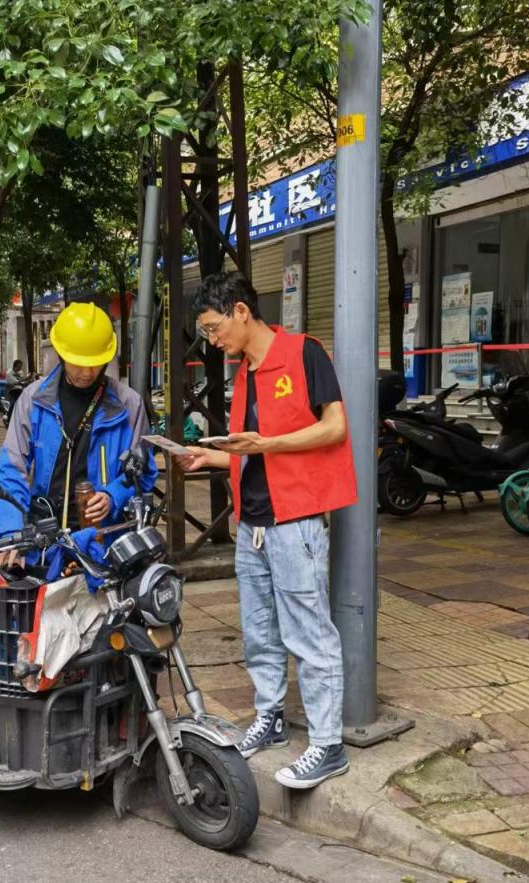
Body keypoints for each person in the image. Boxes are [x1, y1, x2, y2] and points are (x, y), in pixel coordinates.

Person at [179, 271, 357, 790]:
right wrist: (212, 457)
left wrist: (267, 444)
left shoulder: (304, 353)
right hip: (252, 523)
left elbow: (335, 427)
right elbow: (251, 453)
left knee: (309, 634)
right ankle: (271, 717)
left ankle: (328, 745)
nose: (213, 340)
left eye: (214, 328)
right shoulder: (246, 373)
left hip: (294, 522)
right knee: (259, 631)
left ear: (240, 311)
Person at [0, 302, 157, 566]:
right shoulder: (33, 400)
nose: (87, 373)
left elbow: (143, 472)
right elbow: (12, 469)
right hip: (45, 543)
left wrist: (113, 496)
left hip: (104, 545)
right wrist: (11, 531)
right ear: (60, 354)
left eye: (96, 363)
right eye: (78, 363)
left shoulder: (129, 405)